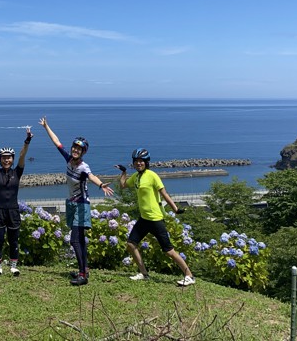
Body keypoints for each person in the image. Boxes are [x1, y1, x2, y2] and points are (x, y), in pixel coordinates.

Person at [39, 116, 114, 286]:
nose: (75, 150)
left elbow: (91, 176)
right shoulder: (68, 160)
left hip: (81, 204)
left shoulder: (83, 167)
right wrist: (46, 126)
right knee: (79, 240)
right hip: (72, 203)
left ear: (83, 152)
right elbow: (56, 142)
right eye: (74, 147)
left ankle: (82, 275)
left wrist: (101, 184)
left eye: (79, 149)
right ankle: (84, 269)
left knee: (74, 240)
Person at [116, 147, 196, 287]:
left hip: (155, 219)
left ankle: (189, 276)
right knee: (131, 244)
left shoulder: (152, 175)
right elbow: (123, 186)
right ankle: (144, 273)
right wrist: (123, 172)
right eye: (136, 161)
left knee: (169, 251)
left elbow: (164, 193)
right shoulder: (136, 177)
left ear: (147, 162)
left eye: (141, 161)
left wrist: (175, 209)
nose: (138, 163)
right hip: (144, 218)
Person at [0, 125, 32, 276]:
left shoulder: (17, 171)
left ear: (12, 159)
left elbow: (23, 155)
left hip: (13, 210)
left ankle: (13, 266)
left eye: (9, 157)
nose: (6, 159)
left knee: (14, 240)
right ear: (0, 159)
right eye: (4, 157)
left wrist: (27, 140)